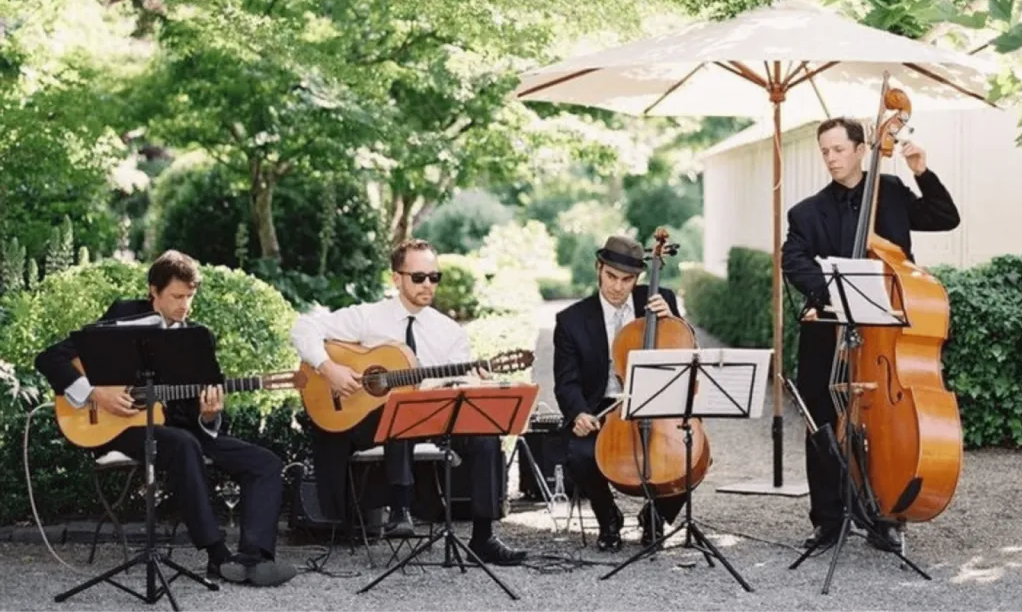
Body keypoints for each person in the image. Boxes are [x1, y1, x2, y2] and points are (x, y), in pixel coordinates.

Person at [35, 250, 296, 587]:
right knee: (183, 443)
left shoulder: (197, 336)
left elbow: (203, 410)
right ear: (153, 292)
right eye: (176, 296)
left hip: (182, 430)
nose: (184, 305)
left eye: (190, 296)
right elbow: (49, 359)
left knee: (264, 462)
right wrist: (96, 393)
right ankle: (218, 556)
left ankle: (254, 558)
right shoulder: (123, 316)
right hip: (122, 428)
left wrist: (209, 414)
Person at [290, 238, 527, 566]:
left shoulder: (449, 332)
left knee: (485, 435)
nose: (428, 284)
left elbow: (456, 386)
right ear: (396, 278)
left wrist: (472, 379)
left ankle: (483, 536)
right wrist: (328, 368)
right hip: (369, 421)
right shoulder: (368, 317)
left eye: (434, 277)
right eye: (419, 277)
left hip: (432, 417)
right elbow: (304, 327)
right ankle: (400, 508)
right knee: (397, 402)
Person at [781, 117, 960, 550]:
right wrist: (832, 295)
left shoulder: (893, 193)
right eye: (824, 151)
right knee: (821, 418)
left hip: (885, 337)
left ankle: (885, 513)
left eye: (838, 149)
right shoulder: (805, 212)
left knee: (882, 422)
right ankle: (828, 518)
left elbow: (944, 217)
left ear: (862, 149)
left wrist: (920, 170)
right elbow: (793, 258)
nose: (831, 158)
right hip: (829, 330)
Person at [552, 235, 688, 551]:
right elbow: (566, 382)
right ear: (598, 268)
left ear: (638, 278)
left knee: (687, 453)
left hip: (653, 403)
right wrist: (579, 412)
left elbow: (683, 350)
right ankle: (608, 516)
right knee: (581, 454)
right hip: (601, 406)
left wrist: (672, 319)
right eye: (611, 276)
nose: (618, 286)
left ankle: (655, 516)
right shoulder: (571, 320)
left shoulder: (658, 299)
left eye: (627, 279)